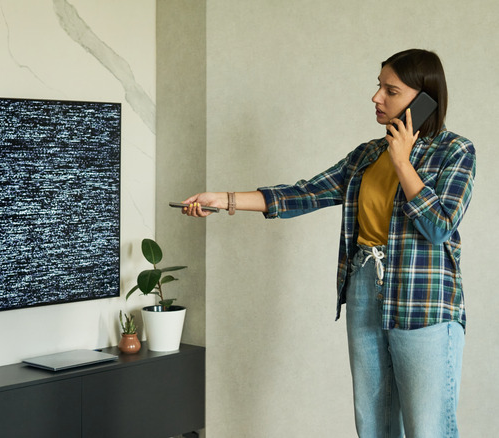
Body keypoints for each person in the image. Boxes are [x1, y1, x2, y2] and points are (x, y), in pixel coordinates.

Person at [181, 49, 476, 438]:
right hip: (365, 292)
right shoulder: (367, 155)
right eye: (378, 86)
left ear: (423, 100)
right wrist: (223, 199)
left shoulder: (455, 151)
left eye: (391, 90)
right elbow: (303, 194)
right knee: (373, 422)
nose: (376, 97)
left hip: (424, 301)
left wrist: (403, 162)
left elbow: (439, 227)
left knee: (428, 428)